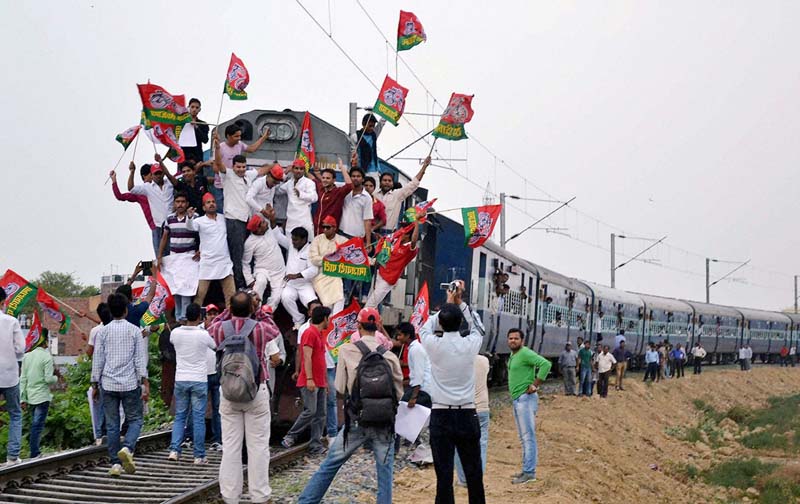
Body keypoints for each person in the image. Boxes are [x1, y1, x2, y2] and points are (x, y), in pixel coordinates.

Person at [297, 307, 403, 504]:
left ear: (359, 326)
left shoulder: (347, 350)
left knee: (330, 464)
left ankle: (306, 502)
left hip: (356, 422)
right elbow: (399, 392)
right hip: (384, 424)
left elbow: (339, 387)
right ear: (378, 326)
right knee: (385, 472)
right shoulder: (390, 356)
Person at [207, 291, 280, 504]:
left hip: (229, 392)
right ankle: (260, 496)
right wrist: (257, 309)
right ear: (251, 308)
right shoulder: (259, 328)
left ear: (231, 308)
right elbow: (274, 330)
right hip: (255, 391)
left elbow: (209, 328)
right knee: (258, 447)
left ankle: (230, 497)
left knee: (231, 446)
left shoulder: (220, 329)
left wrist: (227, 311)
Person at [419, 281, 487, 503]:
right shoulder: (469, 345)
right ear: (460, 324)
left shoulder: (433, 346)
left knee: (444, 476)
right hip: (467, 414)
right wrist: (461, 304)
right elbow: (478, 328)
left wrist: (447, 304)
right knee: (474, 474)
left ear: (441, 321)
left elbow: (424, 328)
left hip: (441, 416)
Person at [91, 293, 150, 477]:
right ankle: (128, 448)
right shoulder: (134, 331)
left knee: (112, 424)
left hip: (108, 384)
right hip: (130, 384)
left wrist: (94, 383)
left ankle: (115, 464)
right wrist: (145, 383)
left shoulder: (102, 332)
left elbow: (97, 360)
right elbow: (140, 361)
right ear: (125, 310)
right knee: (136, 420)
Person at [213, 145, 274, 289]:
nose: (241, 169)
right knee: (237, 254)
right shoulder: (227, 174)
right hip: (234, 220)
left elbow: (262, 171)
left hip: (247, 220)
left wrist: (276, 166)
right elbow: (219, 163)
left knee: (248, 253)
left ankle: (248, 282)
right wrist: (216, 149)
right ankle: (238, 286)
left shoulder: (248, 175)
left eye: (243, 167)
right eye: (238, 167)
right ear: (233, 166)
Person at [167, 304, 216, 464]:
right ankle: (199, 455)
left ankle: (174, 450)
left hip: (181, 378)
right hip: (199, 380)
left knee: (180, 416)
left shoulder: (175, 333)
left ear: (186, 316)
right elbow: (215, 346)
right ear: (200, 318)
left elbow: (173, 341)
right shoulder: (203, 335)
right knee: (198, 418)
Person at [281, 306, 332, 454]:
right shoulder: (310, 333)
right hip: (310, 380)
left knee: (321, 414)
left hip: (320, 381)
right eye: (328, 318)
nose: (329, 321)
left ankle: (315, 444)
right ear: (324, 318)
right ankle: (290, 436)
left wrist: (324, 382)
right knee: (310, 410)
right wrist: (309, 378)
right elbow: (307, 357)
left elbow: (321, 359)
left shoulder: (319, 334)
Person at [506, 327, 551, 485]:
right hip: (518, 399)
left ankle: (529, 473)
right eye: (510, 338)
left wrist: (535, 384)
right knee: (523, 437)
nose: (513, 341)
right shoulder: (514, 354)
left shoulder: (525, 353)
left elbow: (545, 364)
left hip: (525, 399)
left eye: (516, 338)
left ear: (522, 341)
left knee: (528, 437)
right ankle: (526, 470)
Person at [186, 193, 236, 307]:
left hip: (224, 263)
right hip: (208, 263)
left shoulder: (223, 218)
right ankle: (193, 322)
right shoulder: (200, 221)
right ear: (204, 207)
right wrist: (189, 217)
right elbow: (190, 227)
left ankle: (233, 321)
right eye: (208, 203)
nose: (211, 204)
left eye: (213, 202)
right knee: (200, 295)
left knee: (231, 296)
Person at [157, 192, 200, 322]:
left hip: (189, 258)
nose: (180, 204)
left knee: (186, 288)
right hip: (174, 258)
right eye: (177, 202)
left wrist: (201, 250)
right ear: (174, 204)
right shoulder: (169, 219)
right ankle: (178, 317)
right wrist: (159, 256)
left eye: (182, 202)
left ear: (187, 204)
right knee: (175, 288)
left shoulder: (194, 217)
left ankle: (184, 318)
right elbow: (164, 237)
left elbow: (203, 234)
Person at [19, 331, 57, 459]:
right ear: (45, 341)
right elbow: (48, 379)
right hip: (42, 396)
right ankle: (35, 452)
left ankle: (33, 450)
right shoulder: (47, 357)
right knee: (37, 425)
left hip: (30, 396)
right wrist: (56, 378)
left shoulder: (27, 356)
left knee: (33, 425)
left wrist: (22, 397)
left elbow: (23, 378)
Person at [455, 353, 490, 488]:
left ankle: (463, 480)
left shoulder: (457, 362)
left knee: (459, 445)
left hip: (464, 409)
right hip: (482, 408)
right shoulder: (484, 360)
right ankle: (477, 479)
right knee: (481, 444)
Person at [365, 221, 419, 308]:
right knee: (370, 300)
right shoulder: (394, 239)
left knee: (370, 304)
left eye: (403, 229)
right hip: (379, 273)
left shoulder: (410, 248)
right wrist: (380, 239)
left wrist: (416, 222)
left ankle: (360, 320)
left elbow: (414, 240)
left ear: (408, 234)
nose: (400, 230)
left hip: (388, 280)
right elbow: (386, 250)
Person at [276, 226, 319, 328]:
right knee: (285, 297)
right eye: (292, 239)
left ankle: (315, 325)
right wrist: (273, 222)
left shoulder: (311, 250)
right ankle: (298, 320)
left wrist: (296, 275)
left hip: (305, 284)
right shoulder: (291, 245)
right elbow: (278, 236)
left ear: (304, 239)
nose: (293, 242)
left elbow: (314, 270)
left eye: (295, 240)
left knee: (314, 304)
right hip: (290, 285)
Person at [0, 287, 24, 465]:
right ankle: (12, 457)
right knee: (15, 414)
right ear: (3, 302)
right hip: (9, 374)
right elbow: (20, 349)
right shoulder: (11, 321)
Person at [242, 212, 286, 310]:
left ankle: (266, 315)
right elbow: (245, 263)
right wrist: (249, 280)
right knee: (260, 283)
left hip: (279, 271)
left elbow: (272, 222)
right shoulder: (249, 242)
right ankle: (254, 312)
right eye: (262, 223)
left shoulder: (269, 230)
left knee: (276, 297)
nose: (266, 223)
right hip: (262, 270)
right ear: (257, 229)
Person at [373, 156, 430, 231]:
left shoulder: (397, 195)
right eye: (384, 180)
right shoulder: (374, 195)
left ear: (392, 184)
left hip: (387, 234)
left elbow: (413, 184)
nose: (387, 182)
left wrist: (424, 167)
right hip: (372, 232)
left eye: (389, 181)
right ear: (380, 182)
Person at [129, 162, 174, 255]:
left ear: (163, 173)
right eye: (155, 174)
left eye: (160, 173)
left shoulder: (170, 183)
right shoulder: (147, 187)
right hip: (158, 227)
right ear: (152, 175)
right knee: (160, 257)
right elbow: (131, 188)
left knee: (174, 255)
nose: (158, 176)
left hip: (173, 224)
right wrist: (132, 171)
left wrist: (161, 161)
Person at [308, 216, 348, 315]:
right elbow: (314, 259)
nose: (325, 230)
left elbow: (354, 254)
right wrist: (330, 259)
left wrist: (372, 261)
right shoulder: (317, 240)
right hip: (320, 275)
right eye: (323, 227)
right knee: (328, 303)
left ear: (335, 228)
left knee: (339, 298)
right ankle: (329, 323)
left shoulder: (342, 240)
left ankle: (334, 322)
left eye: (328, 227)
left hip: (335, 274)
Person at [88, 302, 113, 445]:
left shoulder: (96, 331)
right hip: (117, 374)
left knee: (101, 405)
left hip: (102, 374)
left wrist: (95, 383)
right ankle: (111, 432)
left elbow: (91, 354)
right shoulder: (124, 329)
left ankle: (100, 434)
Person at [279, 158, 318, 240]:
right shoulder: (289, 183)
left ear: (304, 170)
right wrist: (285, 173)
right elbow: (277, 190)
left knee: (307, 248)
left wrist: (301, 194)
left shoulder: (309, 182)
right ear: (292, 169)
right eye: (296, 168)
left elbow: (314, 197)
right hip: (291, 222)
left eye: (301, 169)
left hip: (304, 221)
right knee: (290, 247)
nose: (298, 171)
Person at [310, 159, 352, 234]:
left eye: (328, 178)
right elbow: (313, 179)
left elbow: (349, 185)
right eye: (323, 178)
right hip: (317, 228)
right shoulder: (321, 189)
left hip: (330, 230)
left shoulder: (338, 192)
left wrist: (342, 167)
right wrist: (304, 168)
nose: (325, 180)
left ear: (334, 180)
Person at [110, 166, 156, 230]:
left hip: (165, 223)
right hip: (154, 227)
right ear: (144, 176)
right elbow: (119, 196)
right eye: (151, 174)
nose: (154, 176)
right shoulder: (139, 192)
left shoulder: (158, 187)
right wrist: (114, 180)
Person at [115, 261, 157, 328]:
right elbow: (150, 295)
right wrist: (154, 275)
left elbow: (121, 292)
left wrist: (134, 274)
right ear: (130, 298)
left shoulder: (113, 310)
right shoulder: (135, 311)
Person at [339, 167, 374, 247]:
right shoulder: (345, 191)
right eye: (353, 176)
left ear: (362, 179)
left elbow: (367, 220)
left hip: (356, 236)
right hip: (341, 233)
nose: (355, 178)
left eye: (358, 176)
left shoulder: (367, 197)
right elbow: (329, 182)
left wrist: (368, 242)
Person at [179, 98, 210, 165]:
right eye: (192, 107)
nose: (194, 109)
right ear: (188, 108)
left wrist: (196, 126)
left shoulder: (203, 124)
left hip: (197, 157)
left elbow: (205, 140)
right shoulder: (181, 123)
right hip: (183, 157)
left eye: (197, 107)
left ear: (199, 110)